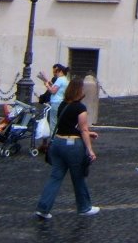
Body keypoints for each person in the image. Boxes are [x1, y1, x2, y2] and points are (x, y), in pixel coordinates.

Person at [35, 76, 99, 219]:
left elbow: (66, 126)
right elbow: (82, 130)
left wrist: (89, 132)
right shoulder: (80, 108)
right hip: (72, 146)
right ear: (80, 91)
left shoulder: (63, 104)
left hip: (58, 143)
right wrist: (90, 149)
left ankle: (43, 208)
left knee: (55, 176)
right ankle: (84, 207)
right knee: (78, 177)